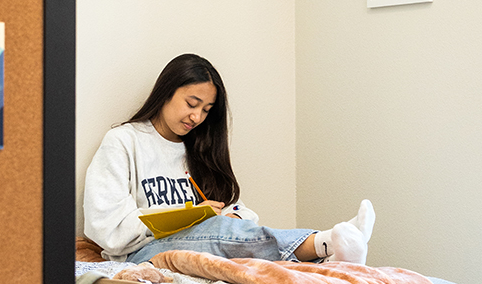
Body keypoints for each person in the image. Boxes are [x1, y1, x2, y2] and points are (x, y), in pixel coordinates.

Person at [83, 54, 375, 265]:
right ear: (165, 93)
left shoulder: (198, 149)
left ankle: (332, 259)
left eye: (207, 110)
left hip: (205, 239)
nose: (197, 117)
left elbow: (242, 213)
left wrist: (231, 216)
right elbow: (106, 229)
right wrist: (185, 218)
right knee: (214, 232)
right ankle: (325, 243)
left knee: (225, 235)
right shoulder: (123, 142)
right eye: (191, 104)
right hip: (142, 253)